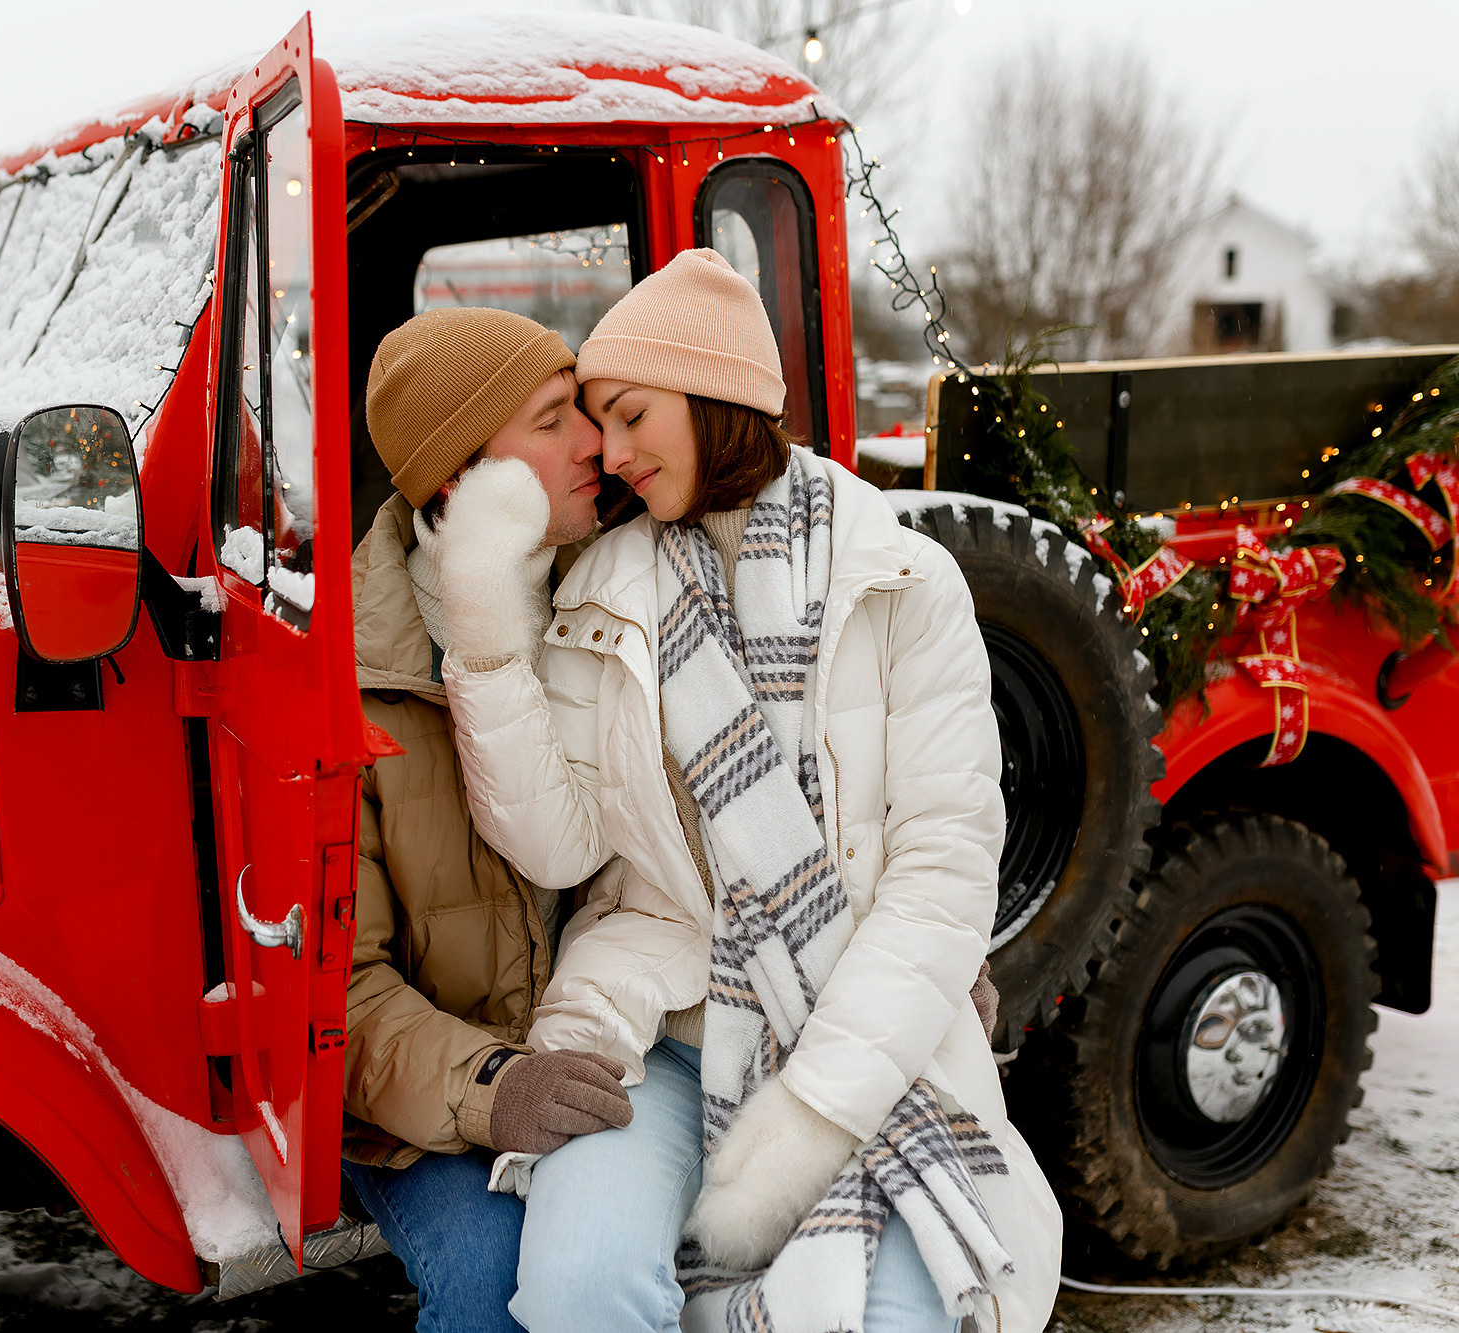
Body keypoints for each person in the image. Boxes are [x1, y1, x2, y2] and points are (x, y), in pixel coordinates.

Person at [430, 250, 1063, 1333]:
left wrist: (809, 1113)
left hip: (861, 1036)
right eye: (593, 421)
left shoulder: (901, 583)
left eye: (628, 415)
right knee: (578, 1290)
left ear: (714, 396)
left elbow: (941, 868)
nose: (611, 454)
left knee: (901, 1313)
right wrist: (487, 638)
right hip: (651, 1035)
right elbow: (559, 847)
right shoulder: (602, 586)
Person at [342, 306, 638, 1333]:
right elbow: (338, 993)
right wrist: (491, 1084)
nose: (595, 442)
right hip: (428, 1107)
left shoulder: (611, 594)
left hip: (615, 1040)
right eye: (554, 419)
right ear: (459, 481)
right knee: (499, 1288)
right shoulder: (350, 683)